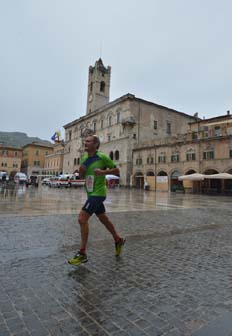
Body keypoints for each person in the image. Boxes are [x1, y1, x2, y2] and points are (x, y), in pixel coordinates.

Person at [68, 135, 125, 266]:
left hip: (98, 193)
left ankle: (82, 253)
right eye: (85, 141)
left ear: (96, 145)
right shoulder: (84, 157)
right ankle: (118, 240)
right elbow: (82, 175)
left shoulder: (102, 157)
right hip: (90, 193)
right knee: (104, 219)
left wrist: (102, 172)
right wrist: (81, 172)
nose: (85, 143)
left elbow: (117, 171)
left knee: (82, 219)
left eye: (88, 141)